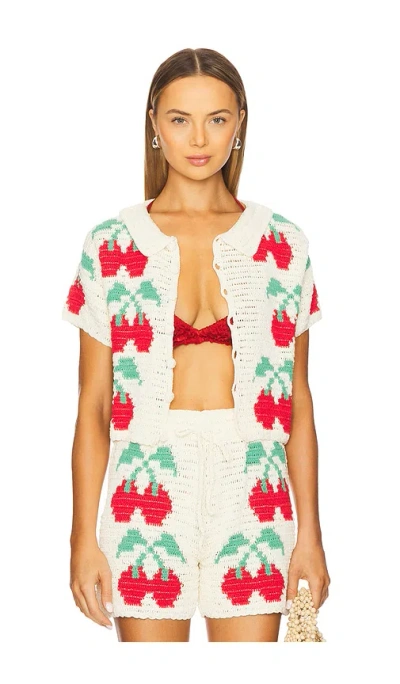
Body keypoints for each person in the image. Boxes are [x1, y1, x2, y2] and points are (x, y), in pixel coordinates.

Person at [62, 47, 330, 642]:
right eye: (180, 119)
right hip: (145, 486)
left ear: (240, 124)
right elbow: (94, 405)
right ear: (155, 123)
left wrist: (310, 534)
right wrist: (83, 536)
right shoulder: (111, 244)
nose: (199, 138)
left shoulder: (282, 243)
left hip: (255, 489)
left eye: (217, 119)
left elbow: (297, 401)